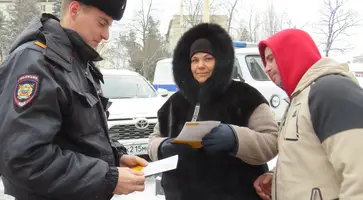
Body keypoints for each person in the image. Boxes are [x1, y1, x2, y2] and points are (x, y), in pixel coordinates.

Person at [0, 0, 149, 200]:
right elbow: (24, 158)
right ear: (75, 10)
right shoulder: (36, 62)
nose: (106, 35)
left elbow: (80, 133)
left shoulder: (77, 64)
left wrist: (116, 157)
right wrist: (106, 177)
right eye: (102, 23)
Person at [147, 23, 279, 200]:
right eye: (195, 60)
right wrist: (163, 147)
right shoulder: (174, 103)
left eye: (208, 58)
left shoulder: (246, 96)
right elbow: (153, 140)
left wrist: (236, 138)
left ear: (220, 61)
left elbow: (272, 140)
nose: (200, 65)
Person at [254, 28, 363, 200]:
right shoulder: (300, 98)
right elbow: (309, 154)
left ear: (291, 53)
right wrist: (279, 177)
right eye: (264, 62)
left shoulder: (330, 91)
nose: (267, 69)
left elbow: (358, 171)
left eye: (271, 59)